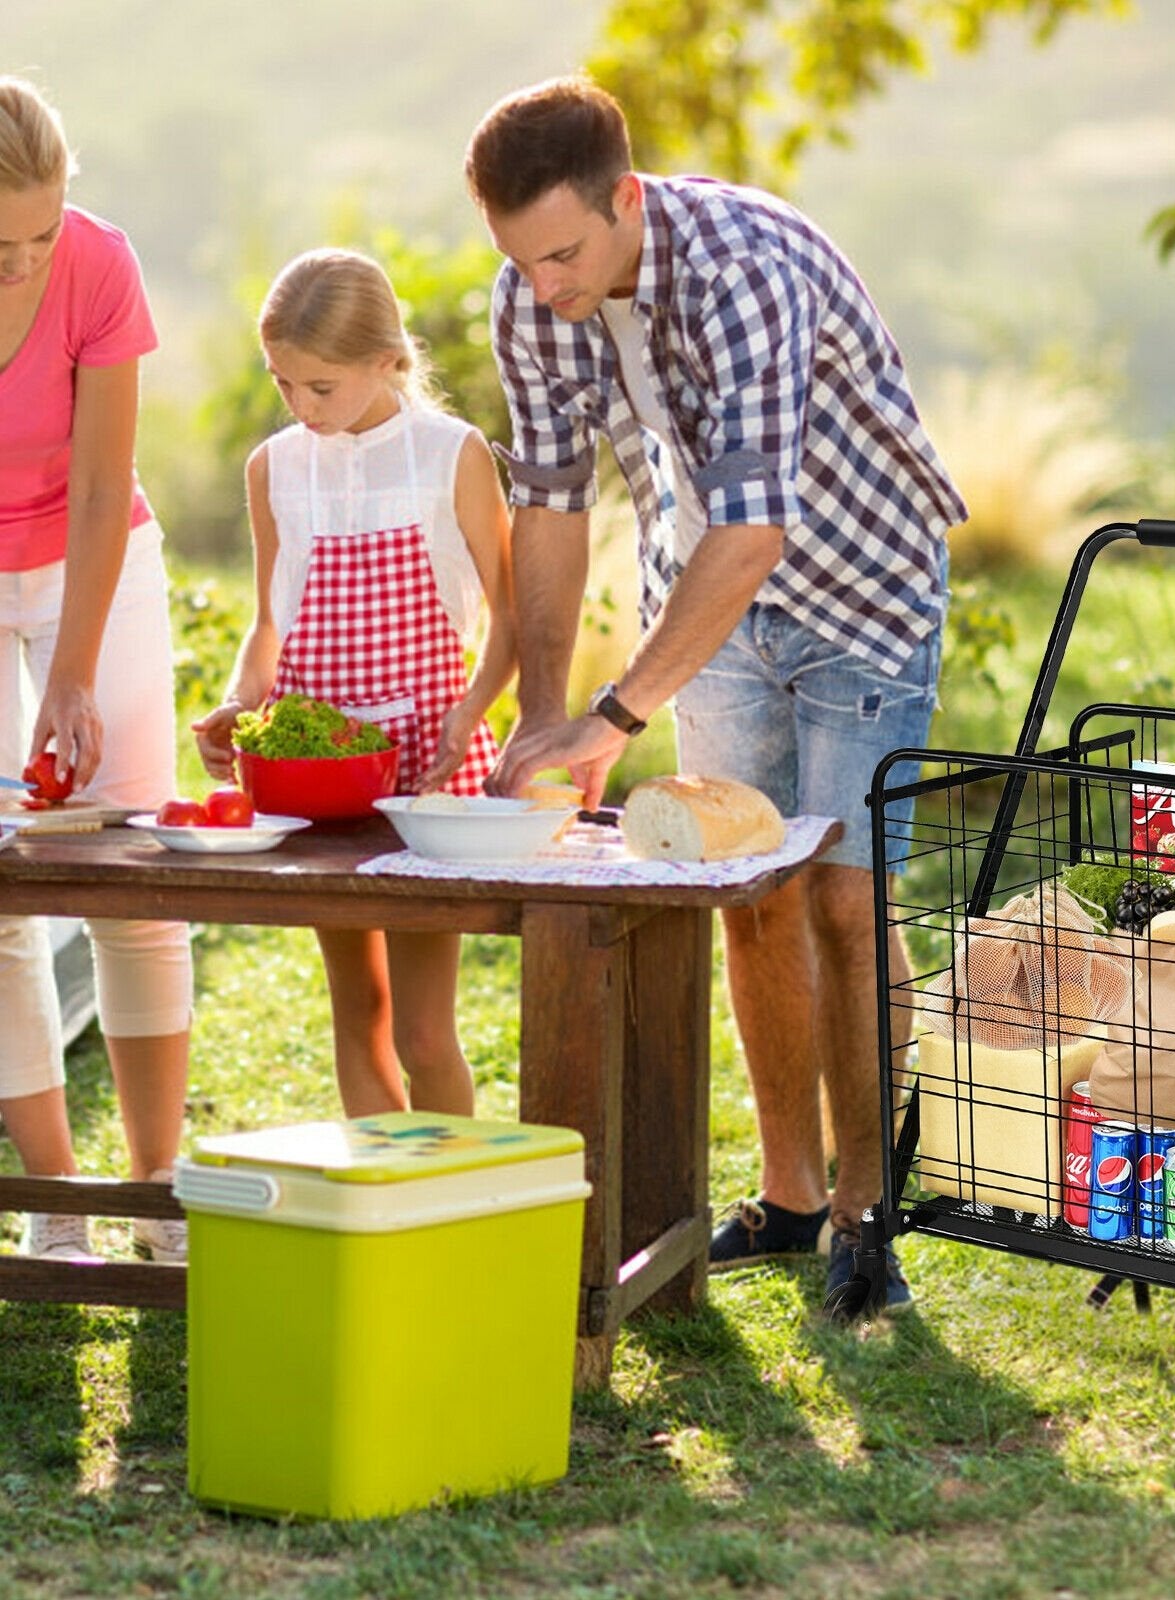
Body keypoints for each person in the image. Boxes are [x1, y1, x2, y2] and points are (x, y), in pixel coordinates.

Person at [464, 77, 966, 1312]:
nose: (544, 287)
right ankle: (792, 1199)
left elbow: (754, 532)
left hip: (860, 591)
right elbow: (546, 505)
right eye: (521, 262)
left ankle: (866, 1217)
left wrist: (616, 714)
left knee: (845, 905)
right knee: (745, 892)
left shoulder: (742, 269)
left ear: (627, 199)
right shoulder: (534, 297)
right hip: (704, 606)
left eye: (564, 254)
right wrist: (543, 711)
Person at [193, 249, 516, 1119]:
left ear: (387, 360)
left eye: (320, 387)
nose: (301, 407)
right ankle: (385, 1212)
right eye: (283, 383)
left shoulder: (451, 456)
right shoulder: (274, 467)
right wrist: (238, 705)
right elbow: (271, 624)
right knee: (357, 1013)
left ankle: (450, 1201)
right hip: (317, 786)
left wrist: (470, 714)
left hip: (425, 779)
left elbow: (510, 621)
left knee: (422, 1032)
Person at [0, 77, 192, 1263]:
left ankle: (157, 1191)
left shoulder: (99, 261)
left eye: (38, 235)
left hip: (94, 552)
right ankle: (56, 1203)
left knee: (134, 867)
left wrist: (68, 674)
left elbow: (102, 479)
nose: (23, 265)